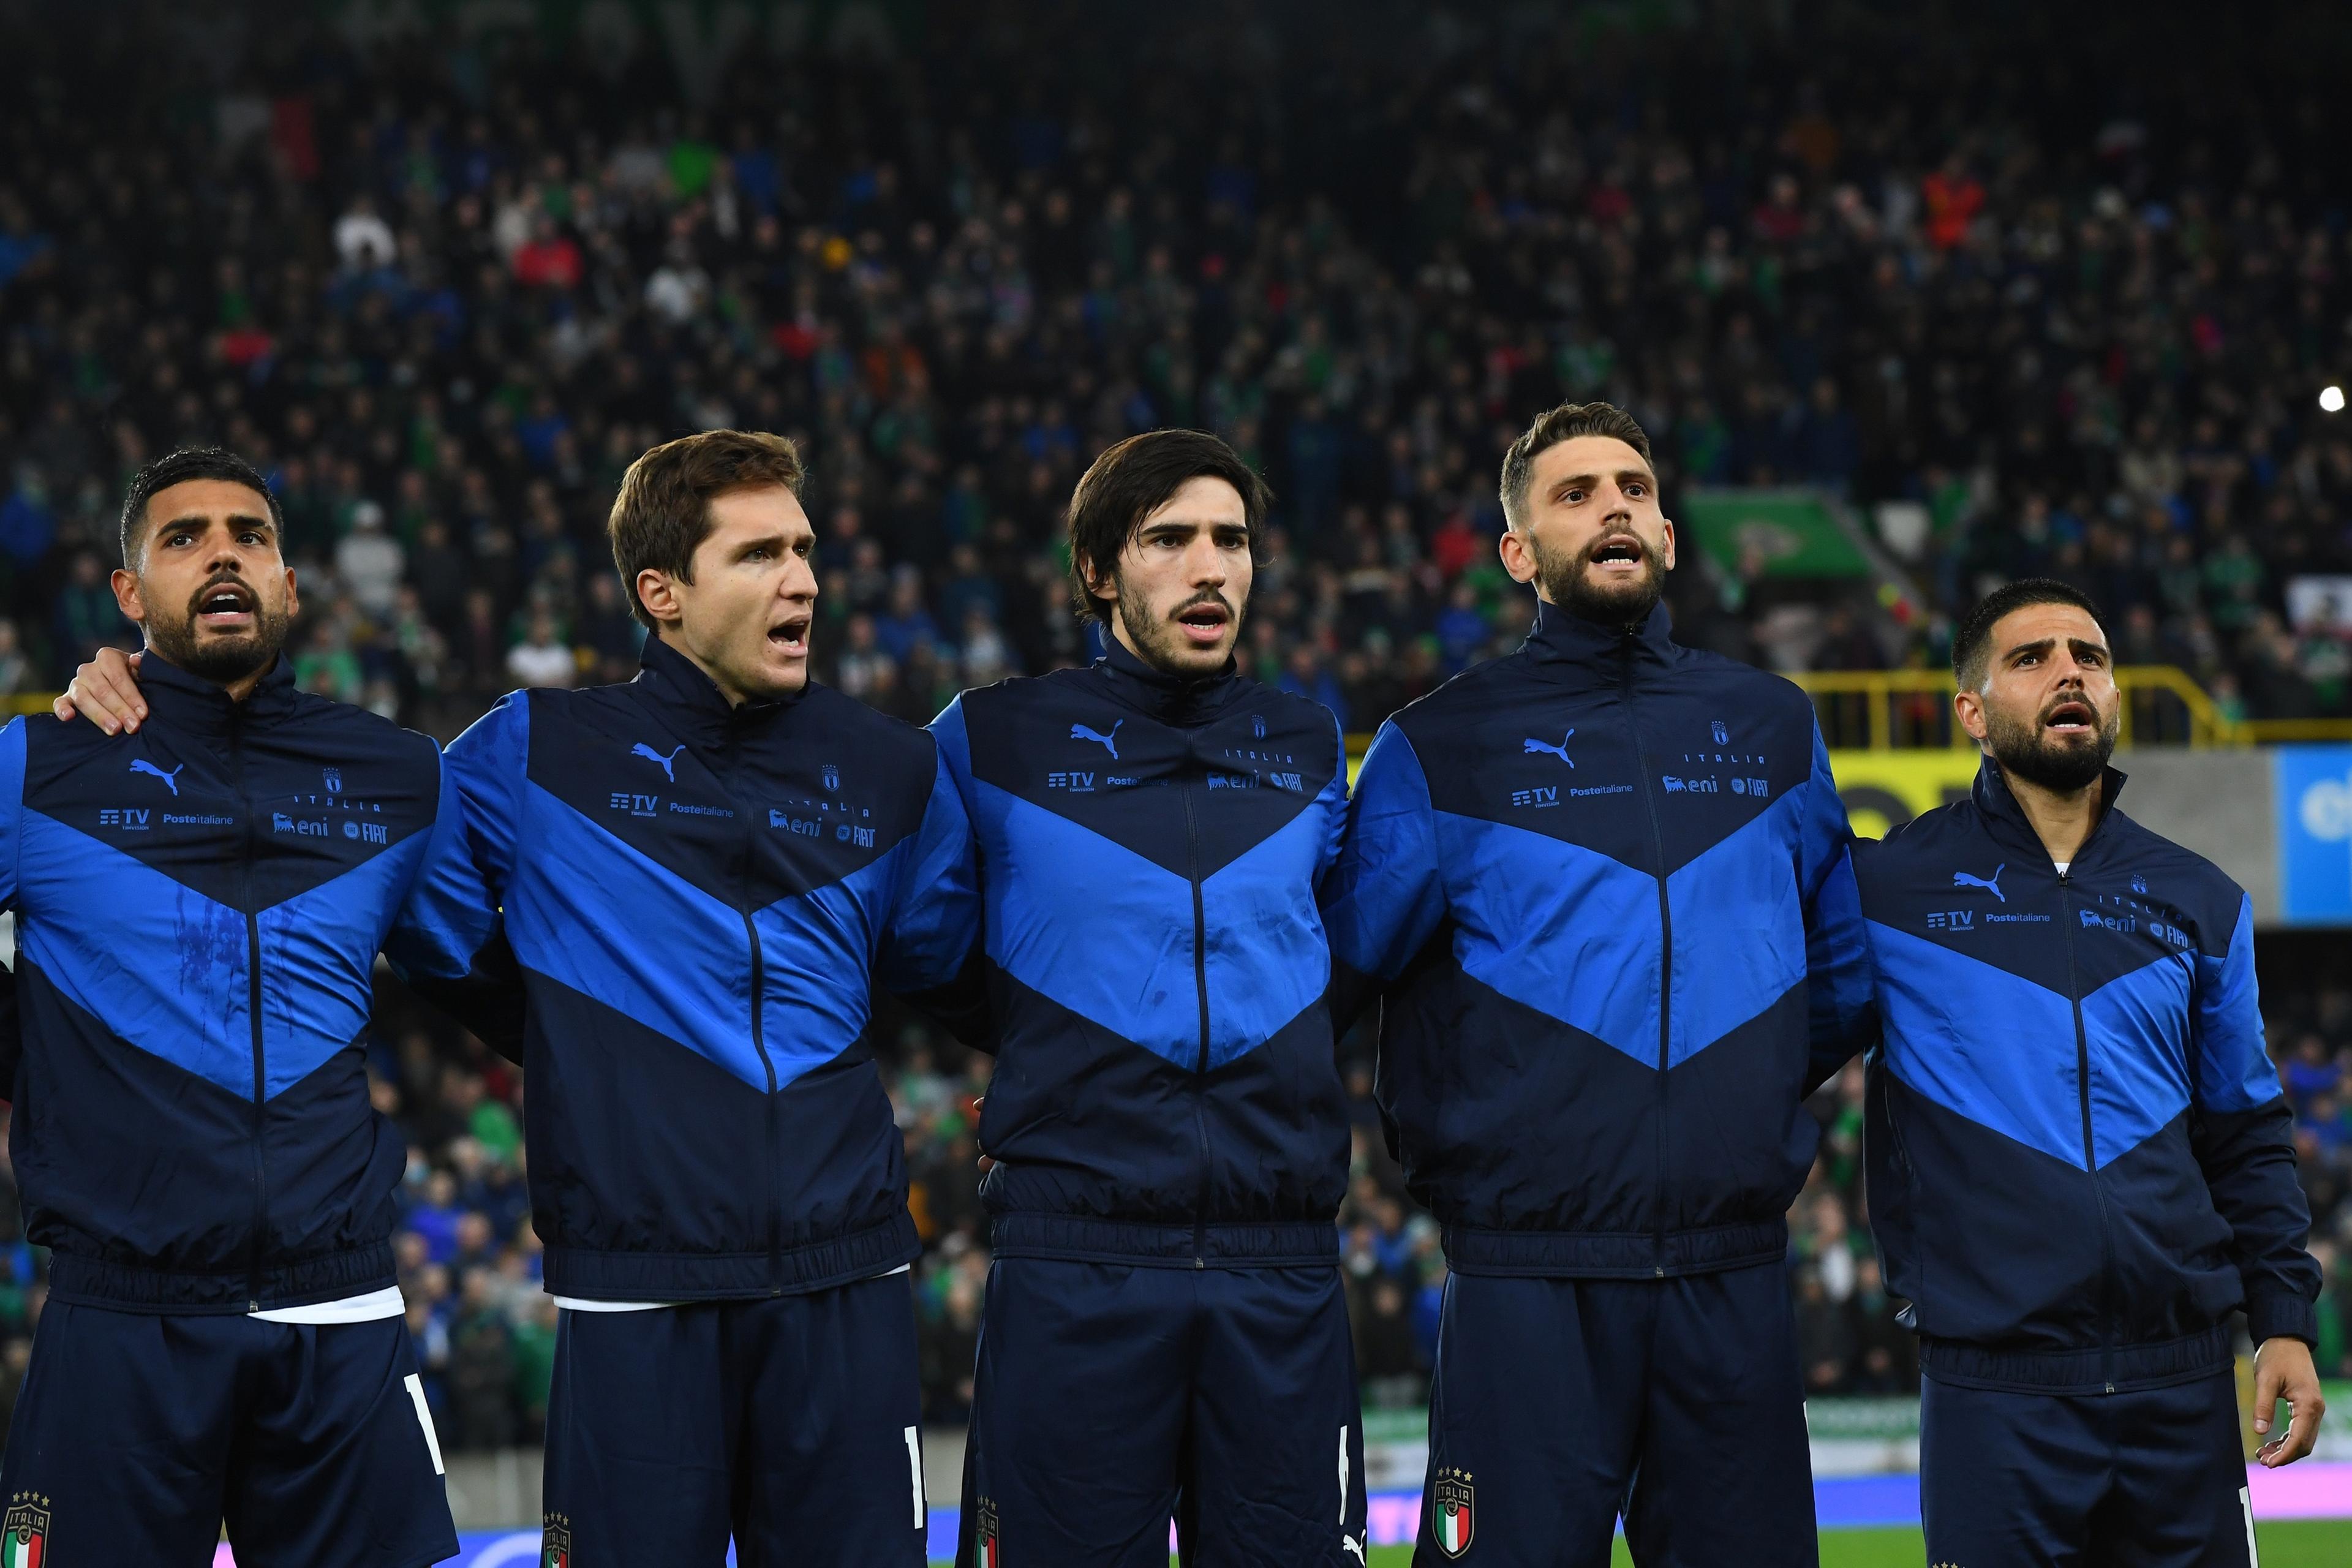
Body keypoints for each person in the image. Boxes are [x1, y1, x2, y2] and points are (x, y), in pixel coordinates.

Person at [60, 430, 981, 1567]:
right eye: (757, 557)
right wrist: (588, 1044)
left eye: (801, 550)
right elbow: (437, 938)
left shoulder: (894, 765)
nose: (802, 580)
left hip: (853, 1283)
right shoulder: (529, 755)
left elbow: (940, 965)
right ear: (663, 593)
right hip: (636, 1291)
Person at [1321, 402, 1868, 1566]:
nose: (1613, 505)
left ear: (1669, 535)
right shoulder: (1440, 744)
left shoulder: (1772, 726)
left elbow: (1840, 977)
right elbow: (1337, 981)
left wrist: (1736, 1098)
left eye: (1632, 487)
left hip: (1731, 1280)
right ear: (1519, 556)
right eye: (1575, 494)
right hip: (1528, 1281)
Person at [5, 448, 469, 1566]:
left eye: (249, 536)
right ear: (129, 597)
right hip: (121, 1320)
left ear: (290, 583)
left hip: (338, 1314)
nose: (222, 553)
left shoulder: (400, 776)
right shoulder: (39, 765)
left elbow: (497, 978)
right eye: (183, 538)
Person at [930, 429, 1366, 1567]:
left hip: (1281, 1267)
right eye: (1168, 539)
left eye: (1230, 539)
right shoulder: (988, 739)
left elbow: (1343, 963)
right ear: (1098, 571)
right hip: (1076, 1264)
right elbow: (926, 952)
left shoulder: (1312, 744)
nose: (1208, 566)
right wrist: (1066, 1038)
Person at [1850, 578, 2323, 1563]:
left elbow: (2246, 1131)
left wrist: (2284, 1321)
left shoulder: (2202, 900)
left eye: (2090, 656)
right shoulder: (1887, 889)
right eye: (2032, 658)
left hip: (2183, 1388)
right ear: (1973, 713)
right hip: (1995, 1394)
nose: (2070, 671)